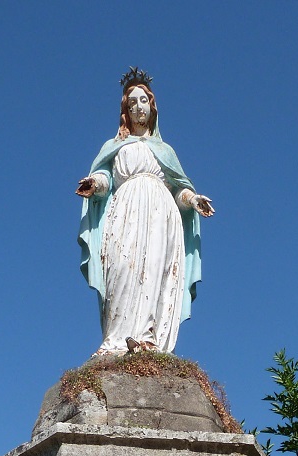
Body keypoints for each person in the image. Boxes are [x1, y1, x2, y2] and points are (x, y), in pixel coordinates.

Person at [77, 68, 214, 356]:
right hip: (124, 210)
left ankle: (147, 337)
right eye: (132, 103)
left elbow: (178, 188)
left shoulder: (165, 150)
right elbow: (107, 178)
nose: (138, 107)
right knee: (120, 267)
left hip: (159, 214)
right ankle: (116, 338)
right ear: (125, 111)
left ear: (152, 106)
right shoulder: (114, 147)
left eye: (143, 101)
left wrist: (192, 200)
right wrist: (95, 184)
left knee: (153, 269)